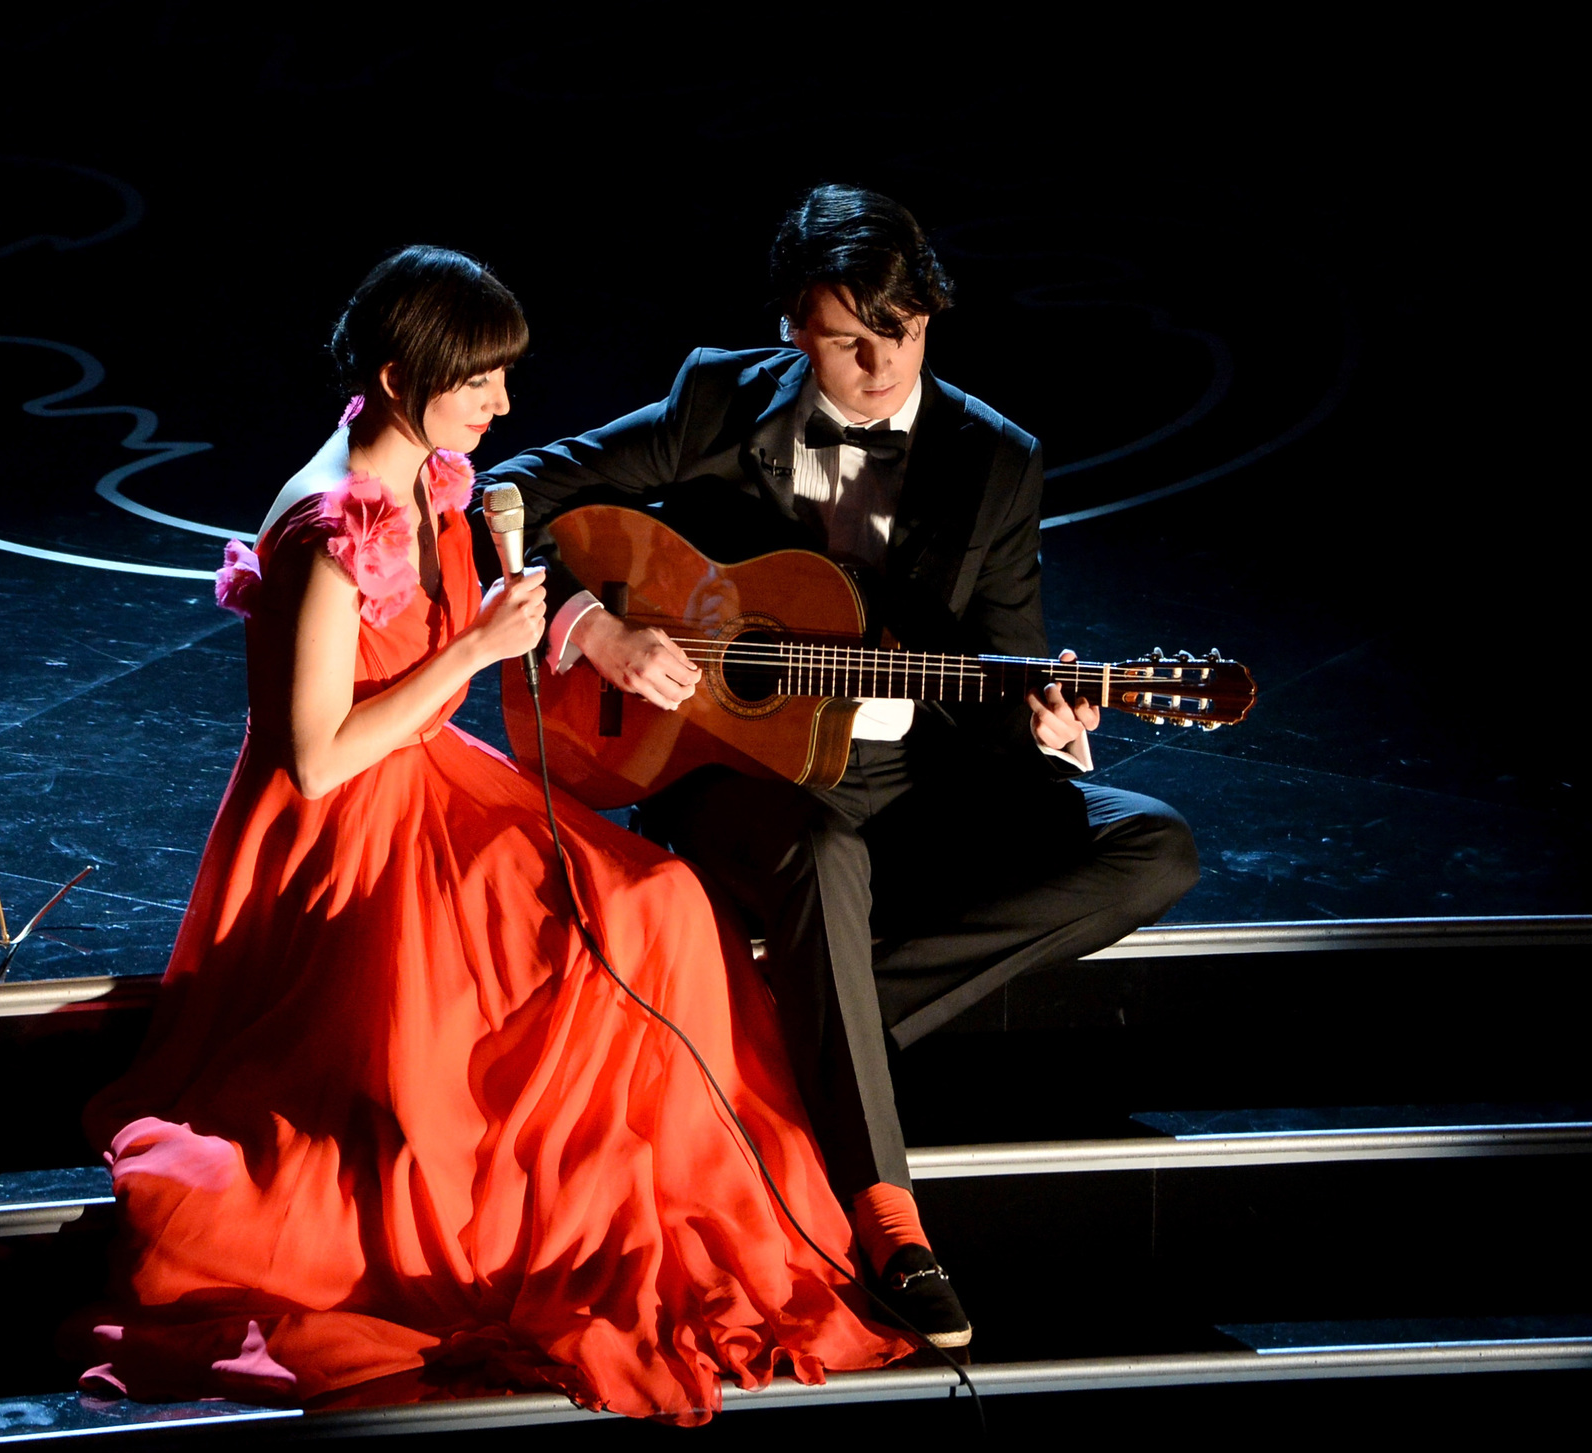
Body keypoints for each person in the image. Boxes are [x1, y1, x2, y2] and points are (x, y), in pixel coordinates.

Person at [70, 246, 909, 1423]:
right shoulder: (329, 532)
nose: (503, 406)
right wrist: (472, 653)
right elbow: (314, 758)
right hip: (343, 831)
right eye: (480, 385)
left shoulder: (432, 473)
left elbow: (494, 588)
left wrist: (573, 628)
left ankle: (670, 1179)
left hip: (429, 780)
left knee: (660, 898)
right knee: (579, 942)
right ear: (400, 376)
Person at [479, 187, 1202, 1346]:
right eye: (841, 339)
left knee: (1149, 843)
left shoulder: (992, 459)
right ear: (788, 330)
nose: (874, 363)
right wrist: (593, 629)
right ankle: (888, 1221)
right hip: (733, 768)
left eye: (899, 333)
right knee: (817, 851)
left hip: (914, 778)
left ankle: (772, 1035)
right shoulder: (716, 395)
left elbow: (994, 662)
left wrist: (1044, 722)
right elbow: (505, 497)